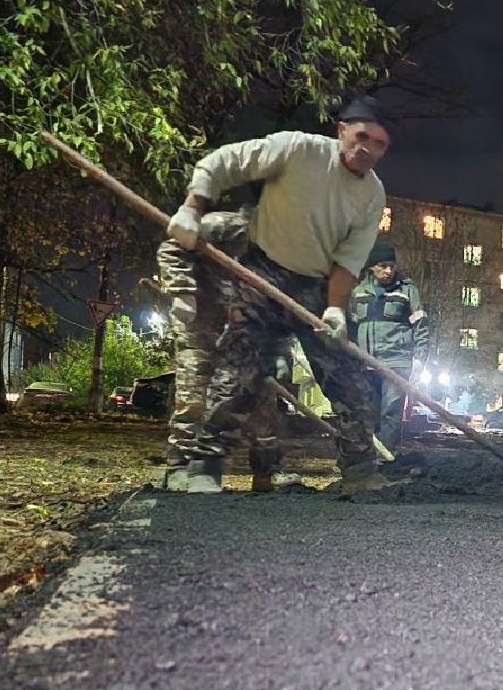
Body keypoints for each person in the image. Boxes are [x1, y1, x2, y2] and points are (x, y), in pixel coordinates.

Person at [165, 95, 391, 496]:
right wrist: (192, 209)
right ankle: (205, 464)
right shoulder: (296, 149)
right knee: (241, 373)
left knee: (351, 381)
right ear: (342, 129)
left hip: (318, 289)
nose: (367, 150)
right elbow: (223, 163)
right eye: (361, 137)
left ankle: (360, 473)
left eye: (379, 144)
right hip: (262, 273)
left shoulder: (372, 195)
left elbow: (349, 262)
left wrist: (336, 309)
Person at [156, 210, 301, 493]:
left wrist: (281, 349)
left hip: (245, 330)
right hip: (200, 320)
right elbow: (171, 248)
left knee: (261, 397)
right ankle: (181, 467)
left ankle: (267, 470)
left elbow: (279, 302)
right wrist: (182, 291)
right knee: (194, 393)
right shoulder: (221, 226)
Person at [349, 240, 430, 454]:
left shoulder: (407, 290)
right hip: (367, 362)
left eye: (392, 266)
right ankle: (371, 458)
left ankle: (385, 458)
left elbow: (421, 325)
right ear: (371, 266)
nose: (388, 271)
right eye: (383, 266)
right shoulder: (358, 292)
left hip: (397, 362)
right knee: (370, 413)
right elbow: (351, 325)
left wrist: (420, 359)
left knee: (391, 412)